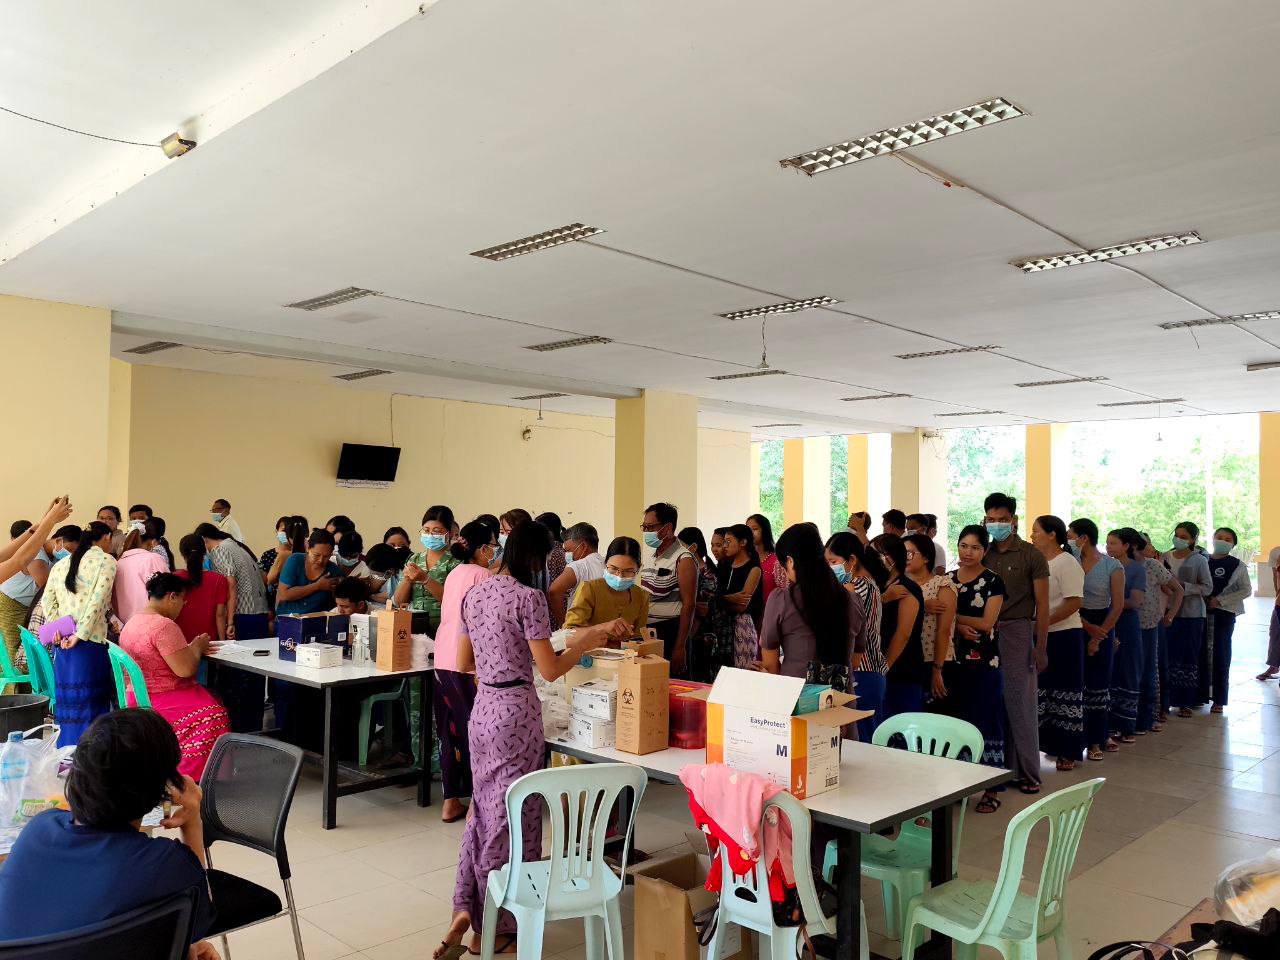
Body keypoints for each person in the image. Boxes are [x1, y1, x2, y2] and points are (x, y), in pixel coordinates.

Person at [436, 521, 620, 958]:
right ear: (536, 559)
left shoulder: (475, 593)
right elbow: (551, 669)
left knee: (484, 810)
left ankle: (466, 907)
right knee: (516, 817)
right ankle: (496, 925)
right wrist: (584, 642)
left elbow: (464, 660)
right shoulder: (528, 598)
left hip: (483, 710)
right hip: (516, 713)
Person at [0, 709, 217, 955]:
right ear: (160, 790)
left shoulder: (39, 829)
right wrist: (192, 819)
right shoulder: (166, 864)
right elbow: (198, 922)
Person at [118, 572, 230, 778]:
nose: (182, 606)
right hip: (159, 698)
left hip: (136, 694)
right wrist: (197, 647)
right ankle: (188, 776)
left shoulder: (133, 621)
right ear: (172, 596)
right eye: (182, 601)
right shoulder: (164, 625)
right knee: (213, 713)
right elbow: (185, 670)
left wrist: (191, 648)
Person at [981, 493, 1050, 794]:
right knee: (993, 702)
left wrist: (1041, 646)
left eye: (1002, 519)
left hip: (1018, 631)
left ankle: (1029, 773)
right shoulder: (982, 552)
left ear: (1014, 520)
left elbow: (1043, 605)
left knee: (1020, 703)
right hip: (985, 633)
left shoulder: (1031, 555)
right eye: (991, 519)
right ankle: (1003, 769)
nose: (996, 524)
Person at [937, 525, 1006, 812]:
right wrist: (956, 626)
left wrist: (954, 619)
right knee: (955, 721)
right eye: (964, 546)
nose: (968, 552)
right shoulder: (947, 579)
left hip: (984, 663)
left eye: (975, 548)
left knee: (986, 720)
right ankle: (958, 785)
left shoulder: (993, 581)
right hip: (951, 661)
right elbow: (936, 620)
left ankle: (991, 788)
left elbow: (987, 622)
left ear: (985, 551)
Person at [432, 520, 497, 824]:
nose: (495, 551)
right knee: (475, 731)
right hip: (467, 662)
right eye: (493, 545)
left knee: (449, 731)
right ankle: (476, 804)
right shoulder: (485, 576)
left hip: (443, 660)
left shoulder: (454, 573)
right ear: (483, 549)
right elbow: (483, 625)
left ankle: (450, 801)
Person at [760, 524, 865, 689]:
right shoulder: (852, 600)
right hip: (841, 699)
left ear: (790, 561)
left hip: (797, 697)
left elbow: (770, 664)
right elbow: (856, 660)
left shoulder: (781, 600)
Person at [44, 521, 118, 746]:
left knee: (67, 705)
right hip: (90, 644)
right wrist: (80, 634)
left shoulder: (60, 565)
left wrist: (59, 631)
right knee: (91, 705)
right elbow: (98, 601)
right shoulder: (106, 561)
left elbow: (48, 601)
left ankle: (66, 753)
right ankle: (90, 754)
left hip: (62, 644)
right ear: (106, 537)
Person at [1031, 515, 1085, 771]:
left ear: (1052, 534)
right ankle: (1046, 745)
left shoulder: (1066, 562)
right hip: (1040, 634)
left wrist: (1044, 622)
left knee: (1064, 691)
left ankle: (1068, 750)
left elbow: (1074, 602)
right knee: (1042, 692)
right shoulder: (1037, 561)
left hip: (1064, 635)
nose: (1032, 536)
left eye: (1036, 531)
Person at [1070, 518, 1124, 761]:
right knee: (1074, 684)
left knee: (1098, 685)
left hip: (1103, 624)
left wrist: (1098, 635)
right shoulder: (1069, 561)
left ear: (1084, 538)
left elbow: (1117, 605)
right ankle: (1073, 741)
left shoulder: (1111, 566)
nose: (1068, 540)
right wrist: (1086, 627)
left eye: (1071, 536)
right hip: (1074, 623)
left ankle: (1096, 740)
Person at [826, 532, 887, 736]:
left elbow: (843, 624)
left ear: (852, 560)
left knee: (862, 739)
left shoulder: (859, 586)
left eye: (833, 562)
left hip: (863, 670)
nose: (829, 567)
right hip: (859, 670)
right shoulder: (858, 585)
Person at [872, 534, 926, 716]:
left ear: (892, 558)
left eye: (876, 555)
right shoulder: (878, 586)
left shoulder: (907, 588)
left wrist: (884, 668)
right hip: (879, 666)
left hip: (902, 670)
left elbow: (903, 634)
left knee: (902, 725)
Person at [641, 503, 698, 676]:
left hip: (671, 631)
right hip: (649, 632)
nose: (646, 532)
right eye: (644, 527)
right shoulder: (651, 556)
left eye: (650, 527)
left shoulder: (683, 558)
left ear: (667, 528)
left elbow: (689, 604)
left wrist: (680, 646)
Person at [1164, 522, 1211, 717]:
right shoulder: (1165, 557)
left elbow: (1207, 587)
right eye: (1177, 535)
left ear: (1193, 540)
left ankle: (1186, 702)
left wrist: (1183, 586)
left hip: (1192, 615)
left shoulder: (1199, 560)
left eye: (1184, 537)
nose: (1179, 539)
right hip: (1167, 613)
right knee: (1169, 657)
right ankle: (1167, 700)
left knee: (1189, 657)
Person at [564, 537, 651, 640]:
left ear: (638, 569)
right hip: (590, 649)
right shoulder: (590, 589)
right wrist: (603, 628)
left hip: (626, 650)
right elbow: (568, 633)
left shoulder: (642, 596)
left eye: (628, 571)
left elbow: (638, 638)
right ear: (605, 564)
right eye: (613, 569)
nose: (620, 576)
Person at [1106, 528, 1148, 743]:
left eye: (1113, 543)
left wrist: (1112, 603)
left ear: (1126, 546)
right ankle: (1109, 725)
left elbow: (1135, 601)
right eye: (1107, 543)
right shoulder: (1104, 565)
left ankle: (1127, 726)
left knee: (1128, 670)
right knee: (1109, 671)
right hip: (1107, 622)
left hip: (1127, 624)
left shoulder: (1136, 569)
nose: (1108, 547)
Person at [904, 534, 956, 700]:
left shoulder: (942, 584)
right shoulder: (900, 586)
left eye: (910, 553)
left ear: (926, 557)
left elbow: (944, 630)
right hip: (907, 658)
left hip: (934, 658)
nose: (905, 558)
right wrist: (923, 606)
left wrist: (937, 669)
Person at [1138, 533, 1181, 732]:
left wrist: (1170, 615)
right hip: (1133, 624)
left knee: (1155, 665)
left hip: (1154, 622)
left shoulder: (1155, 565)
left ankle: (1158, 710)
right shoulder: (1121, 565)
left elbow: (1174, 590)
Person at [1206, 527, 1250, 713]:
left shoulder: (1237, 565)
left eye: (1227, 539)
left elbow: (1245, 590)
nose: (1222, 541)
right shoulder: (1202, 559)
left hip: (1224, 613)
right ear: (1213, 539)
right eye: (1219, 537)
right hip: (1200, 613)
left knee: (1221, 655)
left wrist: (1219, 601)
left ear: (1233, 545)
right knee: (1201, 654)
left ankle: (1219, 699)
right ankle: (1199, 696)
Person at [395, 506, 460, 632]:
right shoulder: (414, 559)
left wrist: (425, 579)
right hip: (414, 626)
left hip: (443, 627)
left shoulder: (456, 562)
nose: (430, 535)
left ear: (450, 533)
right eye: (426, 530)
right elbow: (399, 602)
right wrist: (407, 580)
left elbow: (452, 600)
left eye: (437, 531)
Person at [711, 523, 761, 673]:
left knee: (740, 674)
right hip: (720, 627)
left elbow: (741, 605)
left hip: (741, 627)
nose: (724, 546)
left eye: (728, 542)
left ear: (743, 542)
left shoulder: (754, 569)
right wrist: (728, 598)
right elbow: (714, 597)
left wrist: (721, 600)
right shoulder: (724, 566)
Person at [0, 520, 51, 668]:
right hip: (12, 603)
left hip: (15, 601)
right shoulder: (34, 553)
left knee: (16, 645)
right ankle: (14, 680)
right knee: (13, 647)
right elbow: (45, 585)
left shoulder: (34, 550)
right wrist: (49, 519)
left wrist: (48, 519)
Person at [173, 535, 229, 649]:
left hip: (180, 644)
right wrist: (223, 642)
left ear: (182, 554)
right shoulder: (219, 579)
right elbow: (220, 615)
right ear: (204, 552)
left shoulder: (174, 578)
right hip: (208, 643)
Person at [112, 518, 170, 624]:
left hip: (126, 627)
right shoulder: (152, 559)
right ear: (152, 542)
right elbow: (167, 592)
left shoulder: (118, 562)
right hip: (151, 623)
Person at [547, 522, 604, 626]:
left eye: (568, 550)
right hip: (604, 626)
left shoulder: (577, 566)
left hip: (579, 627)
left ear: (583, 546)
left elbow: (554, 591)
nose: (567, 555)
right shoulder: (608, 565)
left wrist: (563, 622)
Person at [276, 528, 342, 616]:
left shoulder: (334, 571)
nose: (321, 560)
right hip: (288, 618)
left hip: (316, 620)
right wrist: (317, 586)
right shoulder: (295, 560)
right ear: (307, 547)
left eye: (326, 556)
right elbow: (284, 595)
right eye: (317, 555)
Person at [746, 514, 786, 608]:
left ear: (765, 531)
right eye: (747, 530)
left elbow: (784, 592)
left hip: (771, 611)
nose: (750, 533)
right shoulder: (745, 560)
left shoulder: (776, 561)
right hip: (748, 612)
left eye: (755, 529)